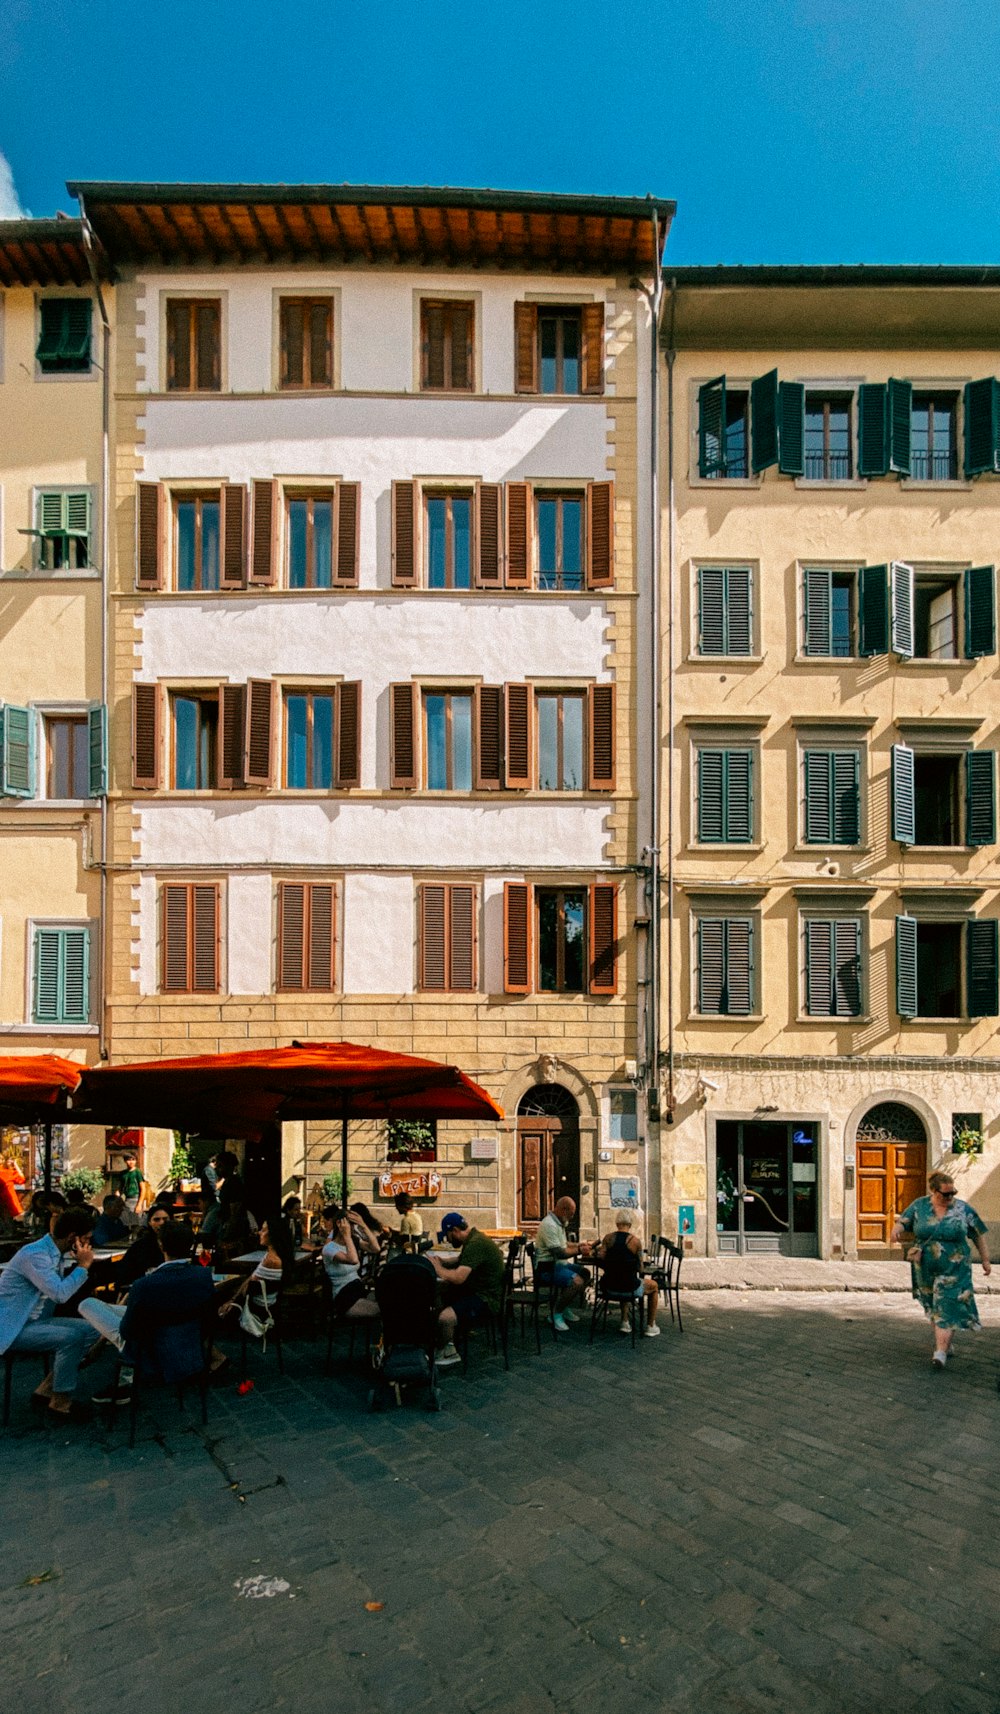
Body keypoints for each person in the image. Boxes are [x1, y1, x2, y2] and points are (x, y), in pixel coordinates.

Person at [0, 1206, 98, 1421]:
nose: (89, 1244)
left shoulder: (55, 1252)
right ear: (74, 1237)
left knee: (94, 1329)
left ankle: (47, 1388)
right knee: (71, 1338)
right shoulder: (35, 1255)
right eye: (86, 1239)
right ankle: (60, 1402)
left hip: (34, 1322)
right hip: (12, 1328)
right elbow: (60, 1294)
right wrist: (83, 1266)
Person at [891, 1171, 991, 1367]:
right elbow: (904, 1221)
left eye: (952, 1193)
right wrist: (896, 1231)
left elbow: (978, 1234)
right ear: (933, 1191)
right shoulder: (920, 1205)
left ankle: (940, 1352)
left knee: (947, 1303)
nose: (950, 1197)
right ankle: (944, 1342)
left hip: (955, 1267)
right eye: (945, 1194)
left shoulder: (963, 1209)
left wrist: (985, 1260)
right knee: (932, 1304)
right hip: (925, 1265)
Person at [115, 1220, 216, 1390]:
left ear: (161, 1245)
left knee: (89, 1306)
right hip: (190, 1346)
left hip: (150, 1352)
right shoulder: (203, 1276)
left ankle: (122, 1381)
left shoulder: (143, 1285)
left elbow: (127, 1331)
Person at [428, 1213, 505, 1366]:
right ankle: (445, 1337)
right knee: (439, 1290)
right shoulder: (474, 1239)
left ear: (455, 1230)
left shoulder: (476, 1244)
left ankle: (448, 1351)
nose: (448, 1241)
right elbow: (461, 1260)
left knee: (445, 1317)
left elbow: (458, 1277)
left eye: (448, 1237)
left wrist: (438, 1269)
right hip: (480, 1290)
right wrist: (443, 1262)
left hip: (486, 1300)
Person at [596, 1212, 661, 1338]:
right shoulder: (636, 1242)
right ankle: (650, 1325)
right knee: (653, 1286)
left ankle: (625, 1321)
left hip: (609, 1287)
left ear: (617, 1224)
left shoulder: (608, 1239)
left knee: (620, 1278)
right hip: (629, 1288)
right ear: (630, 1225)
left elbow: (600, 1258)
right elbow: (641, 1268)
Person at [533, 1196, 589, 1332]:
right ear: (564, 1210)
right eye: (571, 1214)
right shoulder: (549, 1225)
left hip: (559, 1265)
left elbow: (563, 1244)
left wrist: (578, 1244)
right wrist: (580, 1250)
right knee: (576, 1281)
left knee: (585, 1273)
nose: (572, 1217)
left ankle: (564, 1306)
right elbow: (559, 1252)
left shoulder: (559, 1222)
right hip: (546, 1268)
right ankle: (555, 1313)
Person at [319, 1206, 379, 1323]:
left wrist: (363, 1225)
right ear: (339, 1224)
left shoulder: (353, 1241)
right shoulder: (329, 1248)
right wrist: (346, 1236)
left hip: (357, 1288)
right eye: (350, 1224)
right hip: (344, 1297)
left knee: (391, 1300)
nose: (352, 1228)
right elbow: (353, 1260)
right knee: (383, 1309)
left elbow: (375, 1248)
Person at [115, 1203, 170, 1288]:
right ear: (149, 1223)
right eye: (157, 1220)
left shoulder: (178, 1243)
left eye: (165, 1219)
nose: (161, 1223)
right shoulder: (139, 1247)